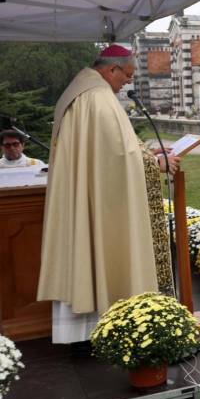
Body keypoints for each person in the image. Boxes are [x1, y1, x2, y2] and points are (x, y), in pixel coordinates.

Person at [38, 45, 180, 344]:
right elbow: (114, 158)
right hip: (99, 200)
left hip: (86, 195)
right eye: (126, 76)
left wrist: (147, 152)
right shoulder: (97, 98)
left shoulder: (83, 90)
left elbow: (109, 151)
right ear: (111, 69)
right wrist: (155, 163)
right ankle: (100, 329)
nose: (127, 82)